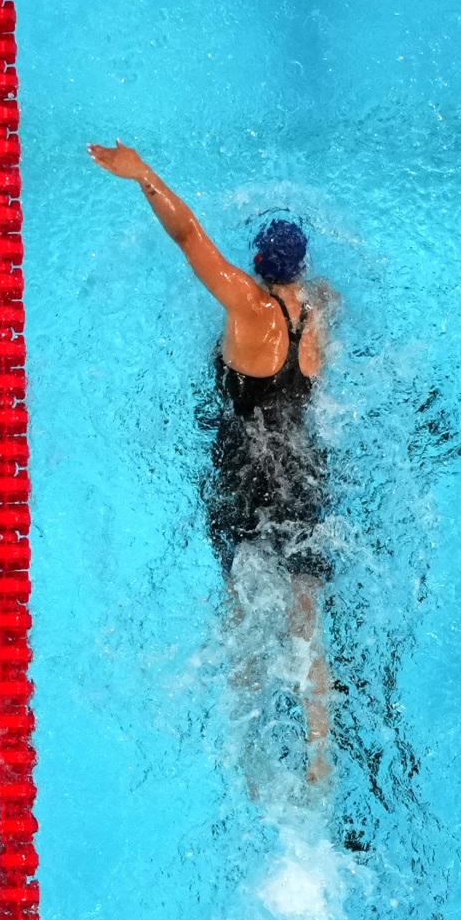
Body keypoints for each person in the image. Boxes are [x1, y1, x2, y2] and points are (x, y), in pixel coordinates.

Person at [90, 144, 339, 787]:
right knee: (305, 613)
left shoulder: (248, 307)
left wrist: (143, 172)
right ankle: (319, 755)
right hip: (303, 469)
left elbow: (187, 234)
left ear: (257, 263)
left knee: (243, 603)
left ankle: (247, 748)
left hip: (245, 473)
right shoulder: (320, 311)